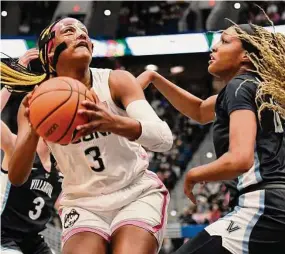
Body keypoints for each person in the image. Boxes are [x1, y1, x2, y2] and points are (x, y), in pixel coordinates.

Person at [0, 17, 173, 254]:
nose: (81, 34)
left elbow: (164, 139)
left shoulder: (116, 81)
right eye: (69, 31)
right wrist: (31, 132)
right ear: (50, 52)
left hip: (135, 192)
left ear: (92, 48)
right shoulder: (35, 103)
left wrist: (115, 123)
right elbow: (18, 177)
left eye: (84, 32)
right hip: (82, 203)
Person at [137, 23, 285, 254]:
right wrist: (156, 78)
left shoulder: (239, 86)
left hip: (264, 206)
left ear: (246, 55)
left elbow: (240, 158)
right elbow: (199, 110)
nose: (214, 47)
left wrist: (194, 174)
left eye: (225, 41)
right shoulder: (260, 89)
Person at [1, 49, 63, 254]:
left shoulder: (60, 165)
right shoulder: (15, 146)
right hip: (4, 235)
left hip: (34, 240)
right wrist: (14, 78)